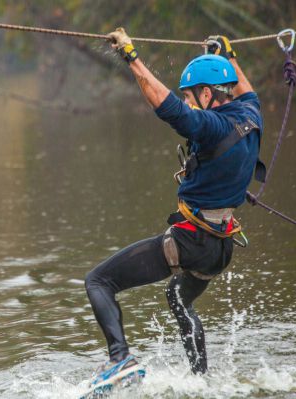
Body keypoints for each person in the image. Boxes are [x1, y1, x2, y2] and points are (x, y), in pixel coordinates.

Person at [84, 28, 264, 386]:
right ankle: (200, 382)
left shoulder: (211, 126)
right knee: (178, 296)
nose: (190, 103)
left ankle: (120, 360)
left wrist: (131, 57)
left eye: (192, 96)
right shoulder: (252, 115)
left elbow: (166, 106)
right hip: (220, 247)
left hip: (192, 241)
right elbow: (246, 88)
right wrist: (228, 56)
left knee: (99, 281)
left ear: (208, 93)